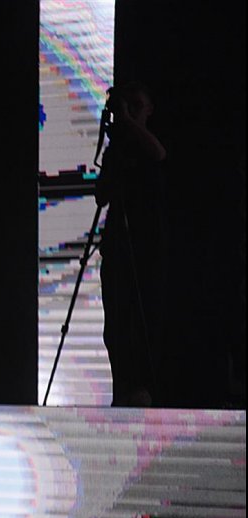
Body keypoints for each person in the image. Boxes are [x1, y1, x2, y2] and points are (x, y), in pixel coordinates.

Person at [96, 82, 168, 407]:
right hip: (117, 249)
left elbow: (159, 154)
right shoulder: (119, 148)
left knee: (140, 325)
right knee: (115, 328)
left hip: (145, 252)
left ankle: (143, 393)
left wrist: (126, 123)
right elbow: (101, 195)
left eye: (137, 105)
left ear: (150, 109)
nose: (131, 111)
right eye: (128, 105)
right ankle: (121, 392)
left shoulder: (150, 143)